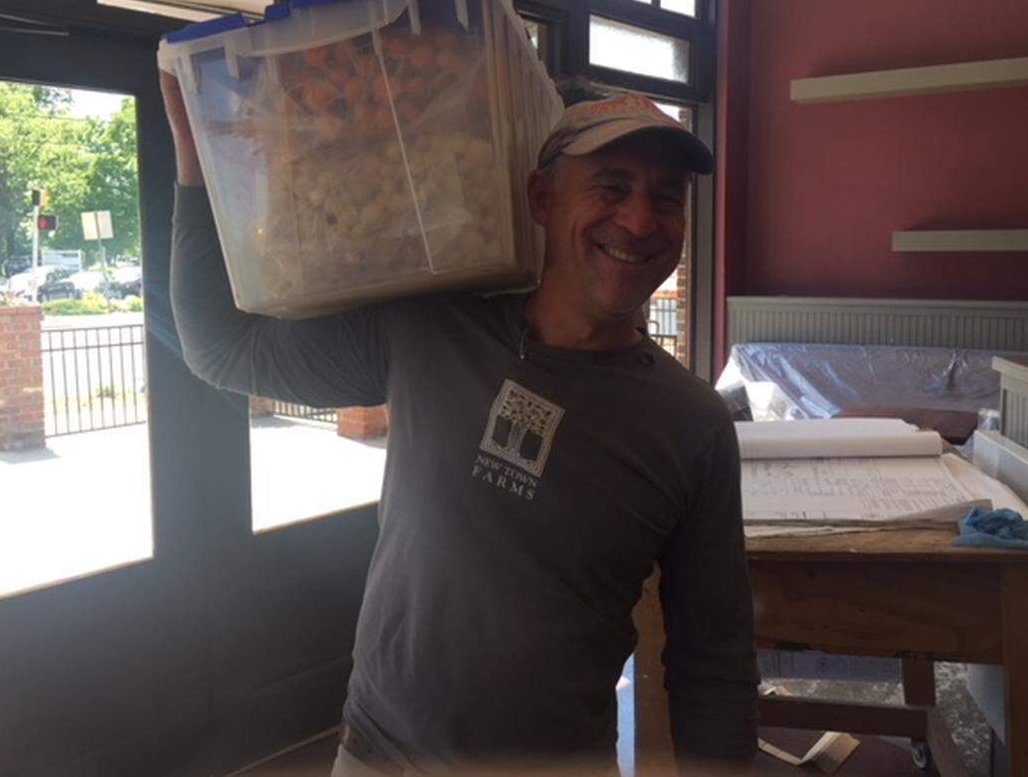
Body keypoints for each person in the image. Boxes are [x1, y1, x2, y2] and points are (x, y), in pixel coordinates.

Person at [162, 73, 757, 775]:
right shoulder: (432, 333)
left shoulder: (692, 422)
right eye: (612, 185)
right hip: (378, 754)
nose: (639, 220)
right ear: (542, 198)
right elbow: (219, 345)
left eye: (667, 198)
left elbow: (712, 661)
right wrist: (197, 155)